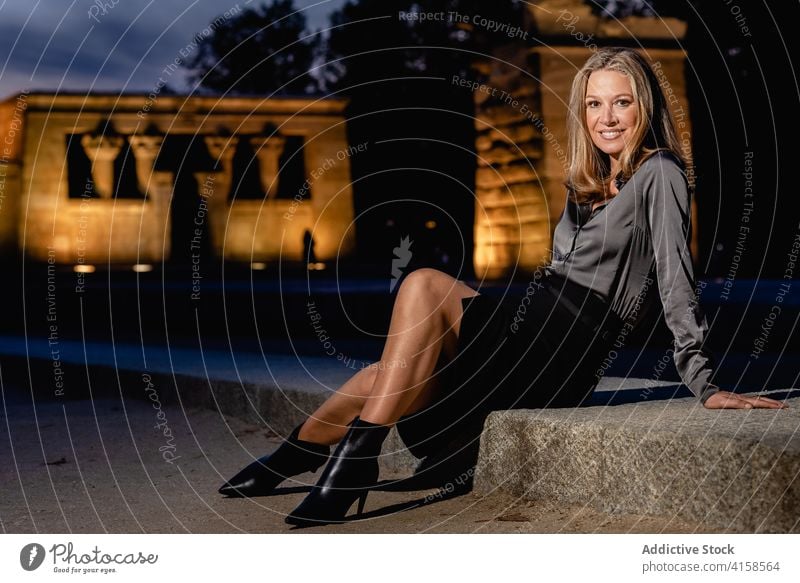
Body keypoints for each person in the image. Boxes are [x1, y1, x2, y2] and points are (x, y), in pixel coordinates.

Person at [219, 47, 787, 526]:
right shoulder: (590, 180)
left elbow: (675, 275)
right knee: (398, 361)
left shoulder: (659, 172)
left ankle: (331, 458)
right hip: (533, 319)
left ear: (644, 106)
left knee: (421, 284)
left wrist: (702, 380)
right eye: (594, 104)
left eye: (622, 102)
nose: (607, 117)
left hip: (568, 343)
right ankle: (303, 456)